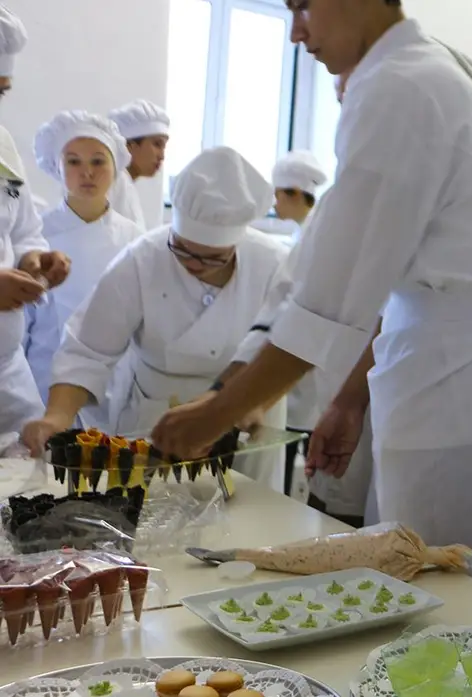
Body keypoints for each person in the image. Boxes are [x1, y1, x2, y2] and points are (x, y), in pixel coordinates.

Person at [150, 0, 472, 571]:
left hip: (451, 391)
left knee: (448, 593)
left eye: (301, 7)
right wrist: (347, 400)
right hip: (456, 380)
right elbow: (396, 282)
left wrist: (219, 412)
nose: (295, 33)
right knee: (453, 582)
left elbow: (329, 297)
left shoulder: (400, 86)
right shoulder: (421, 77)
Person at [20, 146, 290, 492]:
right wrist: (57, 416)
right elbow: (87, 350)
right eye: (182, 249)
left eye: (210, 259)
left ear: (237, 244)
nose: (192, 264)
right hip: (157, 416)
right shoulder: (141, 260)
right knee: (154, 518)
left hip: (248, 414)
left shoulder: (275, 265)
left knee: (249, 525)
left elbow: (293, 344)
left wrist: (253, 402)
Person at [25, 112, 145, 422]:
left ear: (115, 166)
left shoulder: (134, 238)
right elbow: (21, 321)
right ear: (57, 167)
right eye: (74, 162)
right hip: (44, 379)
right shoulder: (36, 234)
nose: (87, 173)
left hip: (115, 381)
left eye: (97, 161)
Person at [0, 5, 71, 438]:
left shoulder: (1, 143)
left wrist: (35, 259)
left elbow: (21, 225)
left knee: (30, 481)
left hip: (7, 372)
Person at [107, 100, 170, 231]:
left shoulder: (123, 182)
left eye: (164, 147)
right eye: (157, 144)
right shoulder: (117, 183)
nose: (162, 156)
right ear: (129, 145)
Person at [251, 150, 328, 245]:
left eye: (277, 196)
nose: (273, 204)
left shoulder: (318, 233)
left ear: (296, 193)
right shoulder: (305, 228)